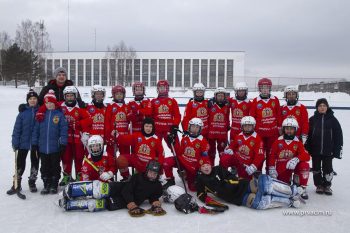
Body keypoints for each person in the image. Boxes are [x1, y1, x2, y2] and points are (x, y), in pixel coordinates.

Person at [59, 160, 166, 217]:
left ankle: (69, 205)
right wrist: (131, 203)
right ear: (146, 170)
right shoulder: (137, 177)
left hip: (122, 201)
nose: (152, 175)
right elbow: (126, 190)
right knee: (99, 189)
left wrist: (155, 202)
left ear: (158, 175)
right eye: (150, 172)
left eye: (155, 174)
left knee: (98, 204)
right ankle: (72, 190)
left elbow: (153, 195)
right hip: (119, 189)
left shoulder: (157, 186)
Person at [196, 157, 303, 210]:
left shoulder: (218, 169)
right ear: (200, 169)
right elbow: (200, 194)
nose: (206, 167)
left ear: (211, 165)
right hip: (238, 198)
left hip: (243, 185)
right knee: (260, 202)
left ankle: (292, 191)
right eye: (203, 166)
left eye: (207, 165)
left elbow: (232, 177)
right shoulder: (201, 180)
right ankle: (289, 202)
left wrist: (228, 183)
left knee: (264, 184)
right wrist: (212, 202)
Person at [31, 90, 68, 194]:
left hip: (55, 148)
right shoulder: (41, 115)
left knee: (55, 166)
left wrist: (63, 143)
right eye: (46, 103)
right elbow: (35, 131)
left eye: (51, 102)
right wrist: (34, 143)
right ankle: (46, 183)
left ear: (55, 103)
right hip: (42, 148)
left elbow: (64, 130)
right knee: (44, 167)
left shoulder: (59, 115)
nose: (49, 105)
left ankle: (54, 183)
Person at [305, 98, 343, 195]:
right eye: (320, 106)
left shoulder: (333, 120)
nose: (322, 108)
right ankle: (319, 185)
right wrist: (307, 147)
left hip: (328, 151)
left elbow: (338, 136)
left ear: (327, 107)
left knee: (328, 169)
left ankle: (327, 185)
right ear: (317, 108)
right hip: (315, 150)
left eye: (324, 106)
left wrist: (337, 150)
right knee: (316, 169)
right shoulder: (312, 119)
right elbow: (308, 135)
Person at [7, 89, 40, 195]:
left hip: (36, 143)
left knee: (35, 162)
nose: (33, 100)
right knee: (20, 163)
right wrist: (15, 142)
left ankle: (32, 181)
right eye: (30, 99)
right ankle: (17, 183)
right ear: (27, 100)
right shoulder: (22, 113)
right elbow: (17, 129)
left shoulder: (41, 111)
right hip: (23, 143)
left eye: (35, 98)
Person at [268, 117, 310, 199]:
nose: (289, 131)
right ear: (283, 129)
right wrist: (272, 168)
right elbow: (272, 155)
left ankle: (302, 187)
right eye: (287, 128)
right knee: (283, 187)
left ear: (296, 130)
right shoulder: (278, 141)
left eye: (292, 129)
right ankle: (289, 182)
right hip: (282, 167)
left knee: (305, 165)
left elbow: (307, 156)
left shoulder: (298, 142)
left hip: (294, 166)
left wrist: (297, 159)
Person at [163, 118, 209, 191]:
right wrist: (173, 142)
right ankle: (170, 180)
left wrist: (200, 169)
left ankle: (188, 175)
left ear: (200, 129)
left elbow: (205, 158)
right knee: (166, 162)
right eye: (193, 126)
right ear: (189, 127)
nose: (194, 129)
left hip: (193, 167)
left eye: (197, 127)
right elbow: (180, 153)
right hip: (183, 161)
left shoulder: (203, 141)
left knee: (193, 188)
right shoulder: (185, 138)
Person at [59, 86, 92, 186]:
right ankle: (66, 175)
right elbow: (48, 105)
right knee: (66, 158)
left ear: (75, 96)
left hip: (78, 138)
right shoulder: (61, 106)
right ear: (65, 97)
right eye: (67, 96)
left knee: (79, 157)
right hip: (65, 138)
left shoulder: (80, 108)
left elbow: (89, 119)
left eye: (72, 96)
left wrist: (78, 124)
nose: (69, 98)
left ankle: (79, 174)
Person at [249, 78, 281, 173]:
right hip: (260, 134)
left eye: (267, 87)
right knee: (259, 154)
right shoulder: (255, 101)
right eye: (263, 88)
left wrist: (279, 128)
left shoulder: (275, 100)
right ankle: (258, 171)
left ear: (270, 88)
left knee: (271, 154)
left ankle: (269, 172)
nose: (265, 90)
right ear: (260, 89)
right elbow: (252, 117)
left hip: (273, 133)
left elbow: (278, 115)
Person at [151, 80, 181, 152]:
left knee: (177, 148)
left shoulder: (172, 101)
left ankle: (178, 162)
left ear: (167, 88)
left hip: (169, 129)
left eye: (163, 87)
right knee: (155, 149)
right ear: (157, 89)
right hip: (157, 129)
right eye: (160, 87)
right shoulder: (153, 101)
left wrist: (175, 126)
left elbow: (177, 115)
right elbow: (150, 115)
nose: (162, 89)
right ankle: (156, 162)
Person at [104, 85, 131, 157]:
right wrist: (108, 136)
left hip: (124, 136)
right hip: (113, 136)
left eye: (121, 94)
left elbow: (129, 121)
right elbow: (107, 122)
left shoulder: (127, 106)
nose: (119, 96)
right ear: (113, 95)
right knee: (110, 157)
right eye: (117, 94)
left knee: (125, 158)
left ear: (124, 95)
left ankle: (124, 168)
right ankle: (111, 169)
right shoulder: (110, 106)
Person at [207, 87, 230, 164]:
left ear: (225, 96)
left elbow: (227, 117)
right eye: (218, 95)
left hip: (222, 134)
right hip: (211, 134)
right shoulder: (210, 104)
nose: (220, 97)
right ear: (215, 96)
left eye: (222, 96)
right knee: (211, 152)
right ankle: (211, 168)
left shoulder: (227, 105)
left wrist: (228, 125)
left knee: (222, 152)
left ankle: (222, 169)